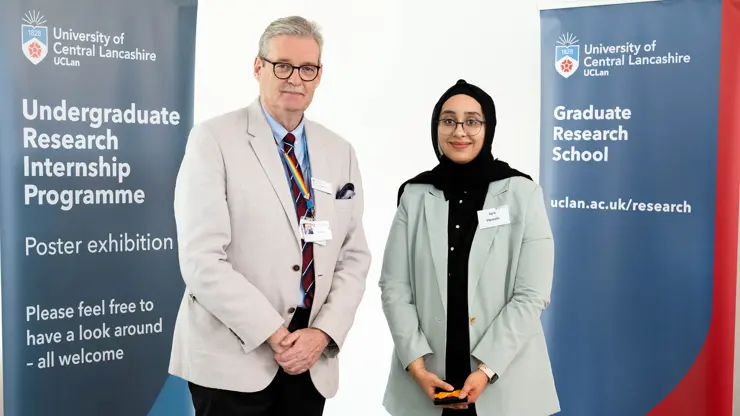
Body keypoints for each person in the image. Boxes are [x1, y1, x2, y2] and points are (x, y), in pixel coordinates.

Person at [168, 16, 371, 416]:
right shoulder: (213, 139)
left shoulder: (339, 150)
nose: (295, 78)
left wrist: (323, 332)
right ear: (258, 67)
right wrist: (273, 333)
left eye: (307, 69)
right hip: (233, 358)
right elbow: (202, 259)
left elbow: (354, 256)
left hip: (310, 360)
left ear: (318, 75)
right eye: (282, 65)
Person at [379, 79, 560, 415]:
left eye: (472, 121)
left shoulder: (522, 193)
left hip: (506, 383)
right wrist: (417, 367)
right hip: (425, 380)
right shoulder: (415, 195)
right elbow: (394, 287)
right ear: (436, 127)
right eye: (448, 120)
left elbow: (531, 294)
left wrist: (486, 368)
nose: (459, 131)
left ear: (487, 128)